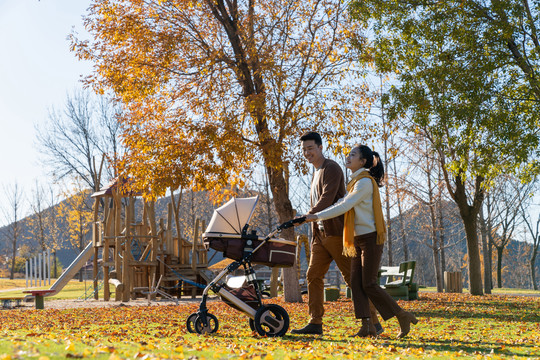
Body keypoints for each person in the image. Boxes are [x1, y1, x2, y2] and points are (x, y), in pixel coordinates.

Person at [303, 144, 418, 338]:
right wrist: (318, 215)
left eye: (353, 155)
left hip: (371, 239)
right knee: (356, 283)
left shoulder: (364, 183)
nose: (348, 157)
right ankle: (368, 326)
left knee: (369, 283)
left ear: (363, 161)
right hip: (357, 240)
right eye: (349, 154)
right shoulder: (355, 183)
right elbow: (341, 202)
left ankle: (401, 315)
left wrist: (317, 216)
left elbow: (346, 205)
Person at [291, 132, 382, 336]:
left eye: (311, 148)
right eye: (304, 149)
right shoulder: (315, 173)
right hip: (320, 235)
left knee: (352, 279)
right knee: (313, 275)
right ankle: (315, 322)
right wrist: (312, 222)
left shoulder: (331, 168)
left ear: (320, 147)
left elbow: (328, 199)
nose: (307, 153)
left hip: (336, 234)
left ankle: (374, 322)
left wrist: (309, 215)